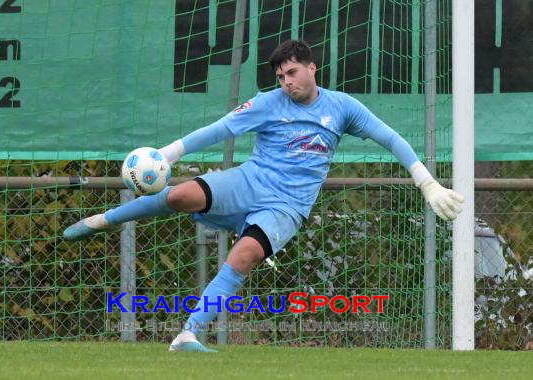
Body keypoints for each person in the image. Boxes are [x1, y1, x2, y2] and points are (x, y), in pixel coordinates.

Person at [63, 40, 464, 352]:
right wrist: (169, 153)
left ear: (311, 68)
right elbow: (220, 130)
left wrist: (426, 182)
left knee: (244, 256)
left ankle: (187, 335)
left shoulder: (343, 108)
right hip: (250, 180)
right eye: (280, 77)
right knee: (180, 194)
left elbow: (391, 138)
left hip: (286, 205)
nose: (286, 82)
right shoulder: (268, 103)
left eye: (291, 73)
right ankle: (104, 220)